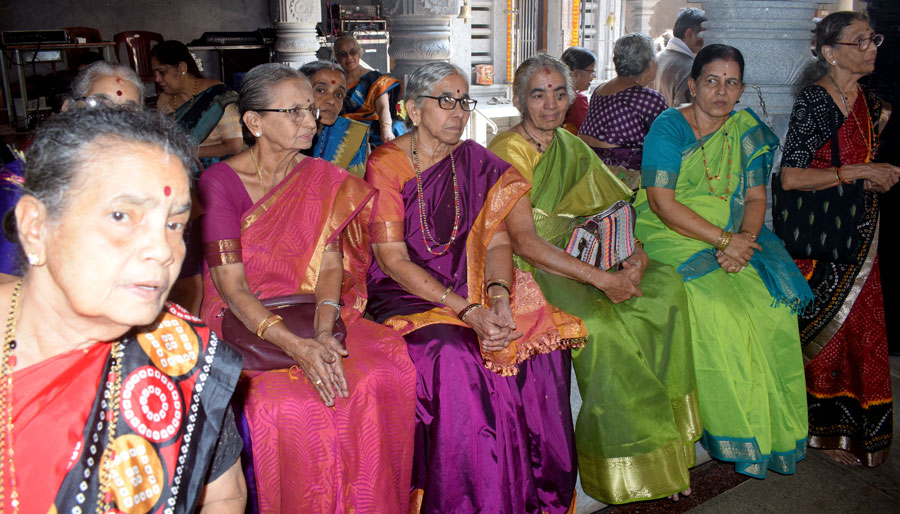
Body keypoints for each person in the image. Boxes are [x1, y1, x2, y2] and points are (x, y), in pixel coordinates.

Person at [365, 62, 585, 513]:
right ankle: (471, 501)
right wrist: (467, 311)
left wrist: (499, 297)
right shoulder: (386, 164)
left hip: (474, 281)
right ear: (413, 110)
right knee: (458, 355)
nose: (459, 112)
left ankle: (534, 496)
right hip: (407, 292)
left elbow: (499, 240)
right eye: (446, 101)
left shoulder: (475, 160)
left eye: (464, 101)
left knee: (540, 342)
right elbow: (391, 259)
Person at [1, 107, 245, 512]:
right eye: (121, 216)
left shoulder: (180, 355)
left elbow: (226, 496)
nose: (164, 251)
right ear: (35, 227)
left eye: (174, 225)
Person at [198, 63, 417, 512]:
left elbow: (330, 265)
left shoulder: (320, 177)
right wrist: (297, 346)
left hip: (314, 309)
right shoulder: (220, 182)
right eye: (293, 111)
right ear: (254, 121)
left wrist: (322, 332)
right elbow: (231, 285)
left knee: (385, 370)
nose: (310, 121)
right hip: (245, 317)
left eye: (309, 110)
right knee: (287, 405)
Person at [488, 54, 700, 504]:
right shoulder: (508, 150)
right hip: (536, 267)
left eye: (559, 93)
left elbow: (612, 211)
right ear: (519, 100)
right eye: (538, 95)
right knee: (603, 328)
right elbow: (524, 242)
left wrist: (635, 255)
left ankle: (672, 444)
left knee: (664, 291)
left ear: (572, 97)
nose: (550, 105)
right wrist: (603, 281)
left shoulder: (571, 144)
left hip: (589, 253)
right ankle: (636, 461)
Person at [635, 44, 814, 478]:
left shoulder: (746, 131)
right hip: (670, 234)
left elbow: (755, 198)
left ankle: (776, 432)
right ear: (693, 85)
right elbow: (661, 203)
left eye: (731, 83)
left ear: (741, 90)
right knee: (723, 312)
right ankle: (740, 432)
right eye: (712, 81)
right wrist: (724, 241)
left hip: (733, 234)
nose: (721, 91)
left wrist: (744, 242)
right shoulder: (669, 127)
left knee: (773, 308)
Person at [778, 11, 900, 467]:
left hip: (861, 232)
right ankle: (819, 431)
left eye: (873, 39)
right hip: (821, 239)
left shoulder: (870, 103)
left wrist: (875, 177)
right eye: (859, 41)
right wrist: (860, 171)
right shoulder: (816, 101)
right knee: (824, 333)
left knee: (862, 331)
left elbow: (858, 167)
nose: (871, 49)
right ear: (830, 53)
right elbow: (791, 177)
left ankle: (854, 430)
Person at [1, 61, 144, 280]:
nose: (115, 120)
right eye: (100, 105)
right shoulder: (25, 181)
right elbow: (6, 281)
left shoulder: (146, 180)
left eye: (129, 111)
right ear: (68, 109)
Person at [579, 33, 667, 181]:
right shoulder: (647, 98)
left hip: (589, 173)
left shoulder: (600, 90)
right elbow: (668, 139)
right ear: (652, 64)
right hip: (621, 182)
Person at [151, 40, 242, 171]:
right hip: (179, 169)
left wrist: (186, 152)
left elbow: (234, 146)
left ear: (182, 68)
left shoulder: (219, 96)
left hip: (218, 171)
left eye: (162, 72)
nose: (157, 79)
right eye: (154, 73)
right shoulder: (164, 100)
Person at [333, 33, 407, 146]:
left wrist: (386, 128)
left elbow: (383, 108)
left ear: (359, 53)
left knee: (397, 127)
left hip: (371, 127)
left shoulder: (374, 79)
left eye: (352, 52)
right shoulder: (334, 81)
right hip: (344, 127)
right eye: (343, 54)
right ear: (337, 58)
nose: (349, 57)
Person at [300, 60, 369, 177]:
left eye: (338, 94)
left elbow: (355, 184)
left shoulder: (349, 136)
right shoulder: (281, 135)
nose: (331, 101)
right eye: (321, 90)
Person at [655, 7, 706, 107]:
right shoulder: (689, 67)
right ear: (689, 34)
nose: (705, 40)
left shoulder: (657, 58)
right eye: (703, 35)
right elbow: (684, 111)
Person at [560, 46, 596, 134]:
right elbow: (591, 133)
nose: (593, 77)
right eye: (591, 72)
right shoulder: (577, 100)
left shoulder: (559, 95)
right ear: (576, 74)